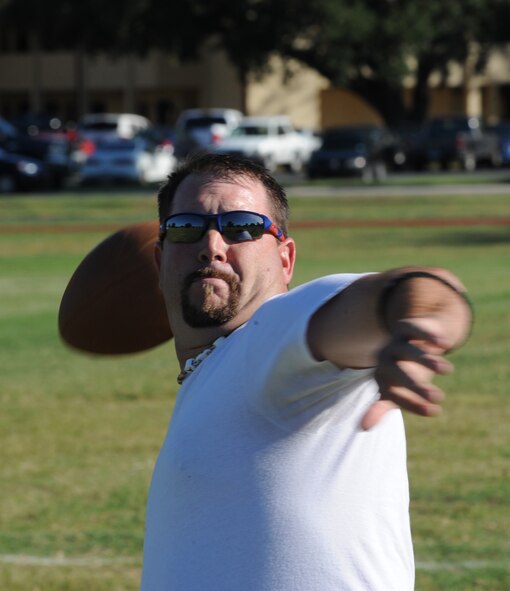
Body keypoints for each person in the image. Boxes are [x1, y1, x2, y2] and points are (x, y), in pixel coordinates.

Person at [140, 153, 472, 590]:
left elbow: (415, 289)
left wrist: (420, 317)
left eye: (243, 227)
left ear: (285, 258)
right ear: (161, 260)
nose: (213, 246)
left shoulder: (272, 335)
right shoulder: (212, 371)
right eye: (186, 227)